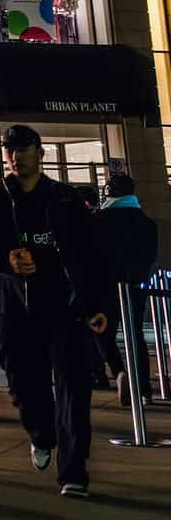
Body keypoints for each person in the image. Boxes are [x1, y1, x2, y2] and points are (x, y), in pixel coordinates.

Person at [0, 124, 111, 498]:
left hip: (66, 308)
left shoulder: (65, 199)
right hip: (14, 310)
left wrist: (97, 305)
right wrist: (4, 261)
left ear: (39, 152)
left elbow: (89, 257)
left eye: (23, 148)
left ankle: (74, 472)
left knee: (74, 389)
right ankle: (42, 435)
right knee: (25, 386)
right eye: (9, 150)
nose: (15, 155)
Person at [92, 171, 158, 405]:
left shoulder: (99, 220)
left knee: (102, 332)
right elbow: (151, 255)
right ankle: (144, 389)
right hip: (134, 285)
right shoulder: (145, 221)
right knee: (136, 334)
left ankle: (119, 370)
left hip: (105, 286)